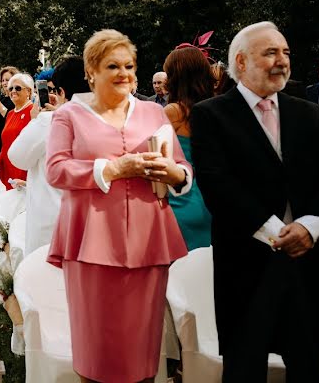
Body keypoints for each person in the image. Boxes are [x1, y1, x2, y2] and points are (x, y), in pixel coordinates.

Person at [191, 21, 319, 381]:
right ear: (241, 62)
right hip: (246, 267)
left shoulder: (307, 112)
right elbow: (218, 185)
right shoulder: (211, 114)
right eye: (271, 52)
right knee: (245, 368)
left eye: (286, 52)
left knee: (308, 368)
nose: (282, 61)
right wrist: (277, 232)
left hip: (306, 263)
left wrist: (310, 227)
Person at [46, 29, 191, 383]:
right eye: (113, 65)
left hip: (149, 241)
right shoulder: (69, 116)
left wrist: (174, 173)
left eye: (129, 65)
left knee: (142, 349)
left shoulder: (154, 114)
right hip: (91, 241)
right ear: (91, 72)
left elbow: (183, 170)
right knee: (97, 347)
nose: (124, 73)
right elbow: (55, 169)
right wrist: (111, 168)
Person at [7, 56, 89, 257]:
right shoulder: (107, 119)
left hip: (52, 219)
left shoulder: (48, 121)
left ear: (61, 91)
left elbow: (17, 156)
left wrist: (36, 120)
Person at [162, 47, 214, 250]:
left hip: (180, 201)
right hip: (211, 200)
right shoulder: (215, 109)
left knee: (177, 277)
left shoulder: (173, 111)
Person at [0, 72, 37, 190]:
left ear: (29, 92)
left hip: (24, 172)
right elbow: (6, 144)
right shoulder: (10, 113)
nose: (13, 91)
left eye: (18, 88)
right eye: (11, 88)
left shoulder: (33, 112)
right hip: (9, 169)